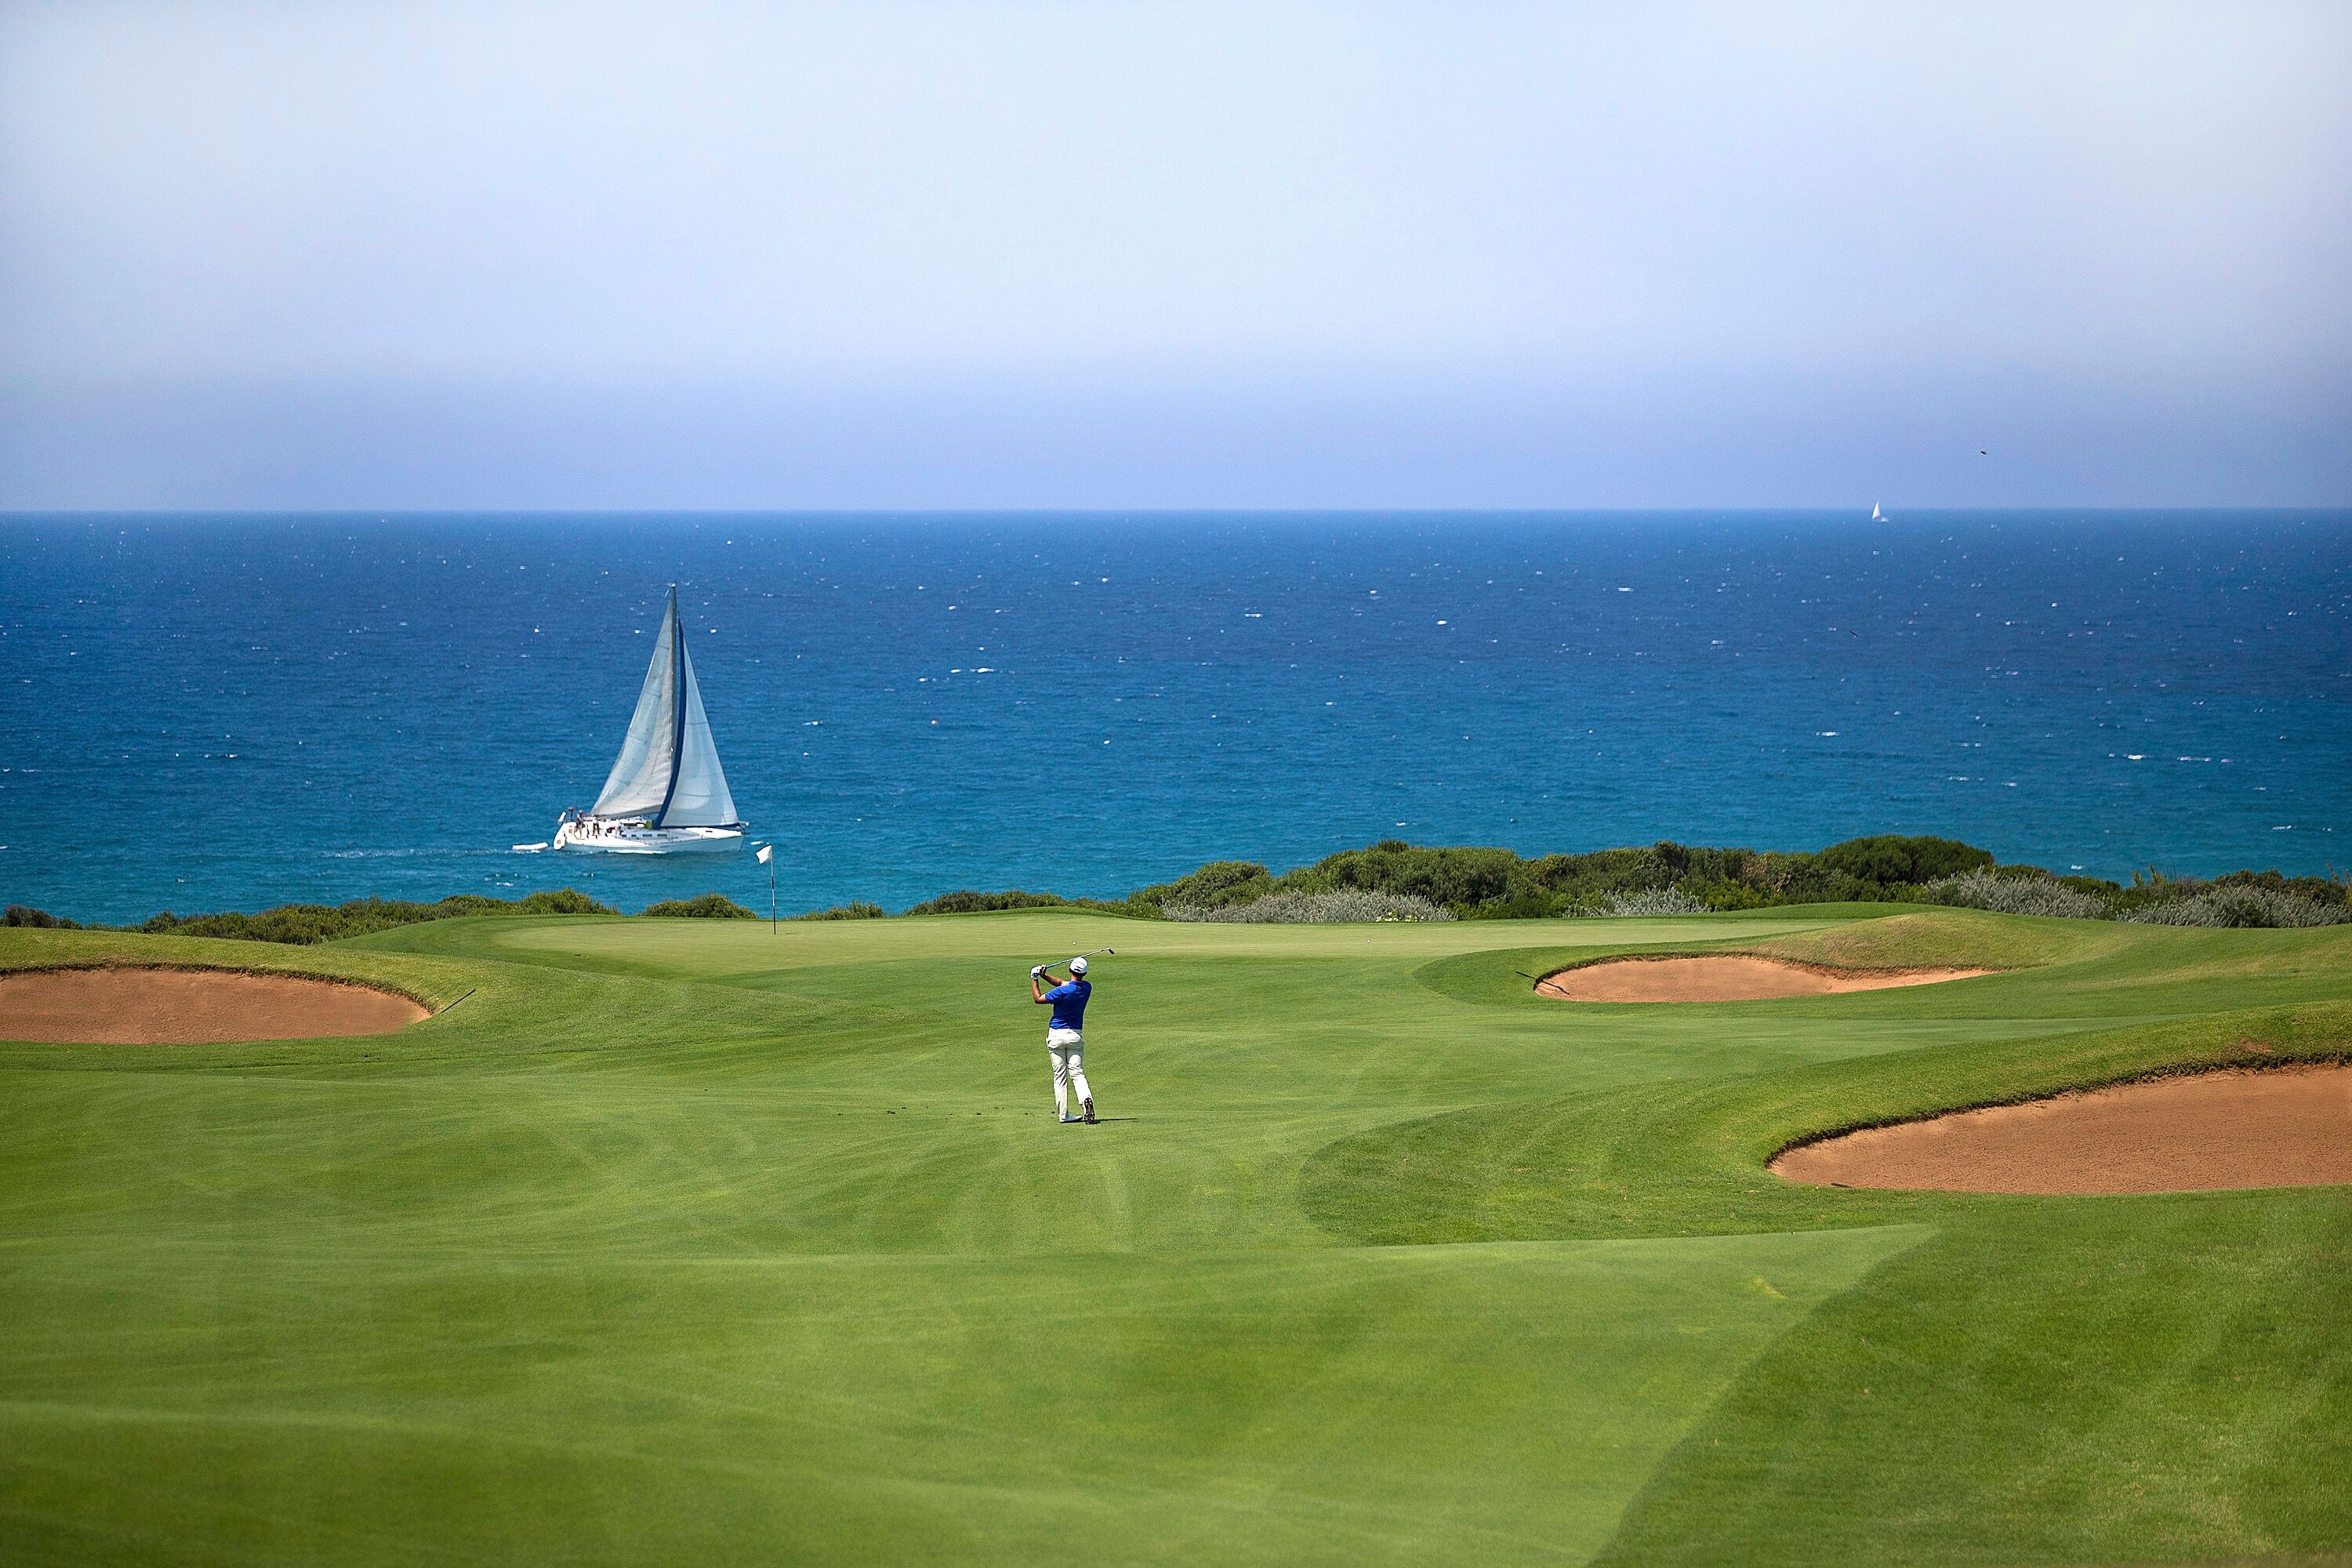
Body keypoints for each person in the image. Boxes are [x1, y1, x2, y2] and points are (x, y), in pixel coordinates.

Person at [1029, 956, 1096, 1123]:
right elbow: (1062, 983)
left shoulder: (1062, 991)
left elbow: (1038, 999)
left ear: (1069, 970)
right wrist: (1045, 976)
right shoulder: (1087, 987)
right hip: (1075, 1036)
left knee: (1060, 1076)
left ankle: (1064, 1115)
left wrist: (1034, 979)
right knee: (1077, 1073)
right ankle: (1086, 1099)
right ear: (1085, 974)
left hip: (1056, 1036)